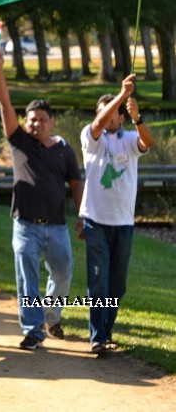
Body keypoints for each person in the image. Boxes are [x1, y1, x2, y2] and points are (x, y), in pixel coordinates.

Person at [0, 51, 83, 350]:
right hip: (25, 225)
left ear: (52, 122)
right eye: (32, 120)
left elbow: (76, 183)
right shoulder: (20, 142)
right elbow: (5, 104)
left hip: (57, 226)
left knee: (63, 272)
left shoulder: (64, 150)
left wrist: (82, 215)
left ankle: (51, 316)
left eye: (42, 120)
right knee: (26, 278)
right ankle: (33, 330)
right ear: (25, 122)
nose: (37, 124)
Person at [79, 74, 154, 355]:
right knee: (98, 280)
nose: (109, 116)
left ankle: (106, 331)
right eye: (104, 110)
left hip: (124, 222)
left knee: (117, 284)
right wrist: (121, 97)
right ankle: (97, 337)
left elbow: (149, 142)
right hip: (95, 220)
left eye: (115, 113)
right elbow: (99, 124)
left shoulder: (130, 138)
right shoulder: (91, 137)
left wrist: (137, 117)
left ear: (121, 119)